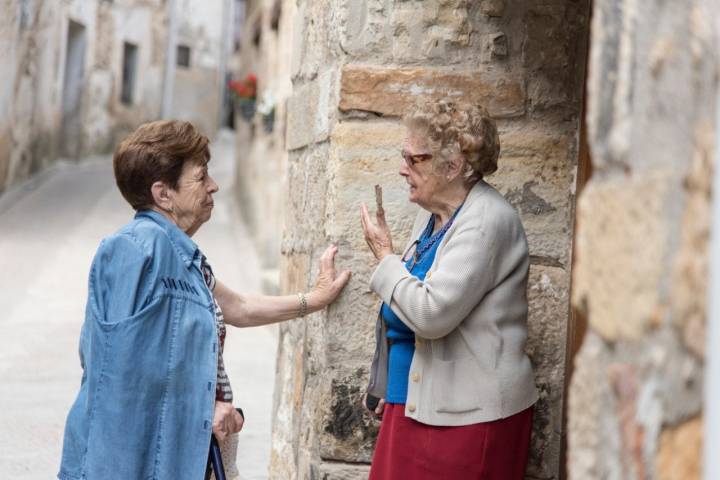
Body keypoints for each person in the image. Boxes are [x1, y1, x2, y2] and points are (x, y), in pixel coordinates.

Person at [57, 120, 351, 480]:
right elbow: (117, 368)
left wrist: (315, 299)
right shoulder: (133, 248)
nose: (214, 185)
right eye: (201, 177)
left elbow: (240, 307)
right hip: (129, 463)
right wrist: (201, 409)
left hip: (176, 452)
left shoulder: (185, 258)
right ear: (163, 194)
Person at [360, 100, 538, 479]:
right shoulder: (432, 214)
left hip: (468, 418)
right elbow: (401, 312)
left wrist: (385, 258)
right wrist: (388, 383)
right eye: (402, 155)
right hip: (416, 404)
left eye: (415, 159)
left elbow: (430, 314)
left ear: (453, 166)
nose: (402, 168)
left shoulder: (485, 222)